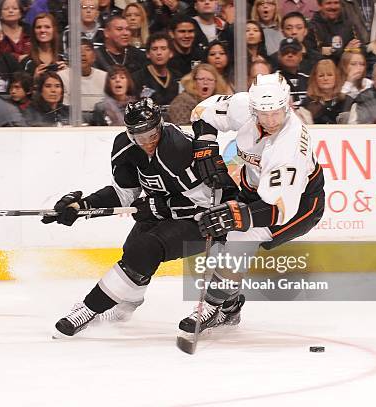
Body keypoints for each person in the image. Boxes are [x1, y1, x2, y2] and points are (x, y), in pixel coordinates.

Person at [46, 97, 240, 337]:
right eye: (139, 136)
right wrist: (83, 205)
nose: (147, 142)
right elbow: (123, 194)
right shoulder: (124, 148)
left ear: (160, 126)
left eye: (152, 134)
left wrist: (160, 207)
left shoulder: (177, 149)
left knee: (147, 247)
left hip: (207, 217)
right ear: (129, 133)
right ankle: (125, 307)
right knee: (133, 250)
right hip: (167, 207)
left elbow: (207, 202)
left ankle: (87, 309)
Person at [178, 72, 324, 335]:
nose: (269, 120)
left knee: (240, 237)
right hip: (253, 185)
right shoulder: (244, 105)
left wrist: (236, 216)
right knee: (222, 238)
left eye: (276, 112)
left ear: (288, 104)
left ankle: (211, 306)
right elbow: (202, 112)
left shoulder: (289, 146)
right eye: (263, 113)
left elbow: (278, 210)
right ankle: (230, 307)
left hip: (299, 203)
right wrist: (205, 147)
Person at [57, 37, 106, 122]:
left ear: (94, 56)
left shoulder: (105, 77)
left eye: (87, 49)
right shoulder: (61, 77)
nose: (82, 53)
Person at [132, 32, 180, 106]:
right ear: (148, 54)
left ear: (171, 53)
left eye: (163, 48)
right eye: (154, 49)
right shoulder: (137, 78)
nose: (159, 53)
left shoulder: (178, 77)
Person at [299, 59, 353, 124]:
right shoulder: (307, 103)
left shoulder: (346, 101)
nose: (325, 78)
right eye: (321, 76)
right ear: (315, 79)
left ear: (336, 78)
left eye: (329, 75)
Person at [22, 13, 67, 79]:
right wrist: (34, 79)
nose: (42, 30)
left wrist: (66, 75)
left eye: (47, 27)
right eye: (38, 27)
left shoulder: (63, 59)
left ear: (54, 30)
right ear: (34, 31)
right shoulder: (27, 63)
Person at [276, 37, 309, 106]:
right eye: (285, 52)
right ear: (279, 56)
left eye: (294, 52)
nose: (290, 55)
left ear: (301, 56)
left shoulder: (309, 79)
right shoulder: (273, 79)